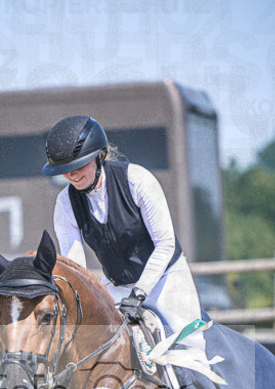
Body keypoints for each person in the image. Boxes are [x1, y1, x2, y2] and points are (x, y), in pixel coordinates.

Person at [41, 114, 203, 337]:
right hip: (118, 287)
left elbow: (165, 244)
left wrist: (139, 294)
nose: (72, 175)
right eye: (65, 169)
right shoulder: (65, 203)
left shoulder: (137, 180)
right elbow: (75, 267)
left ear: (99, 155)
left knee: (189, 347)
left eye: (79, 165)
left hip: (166, 280)